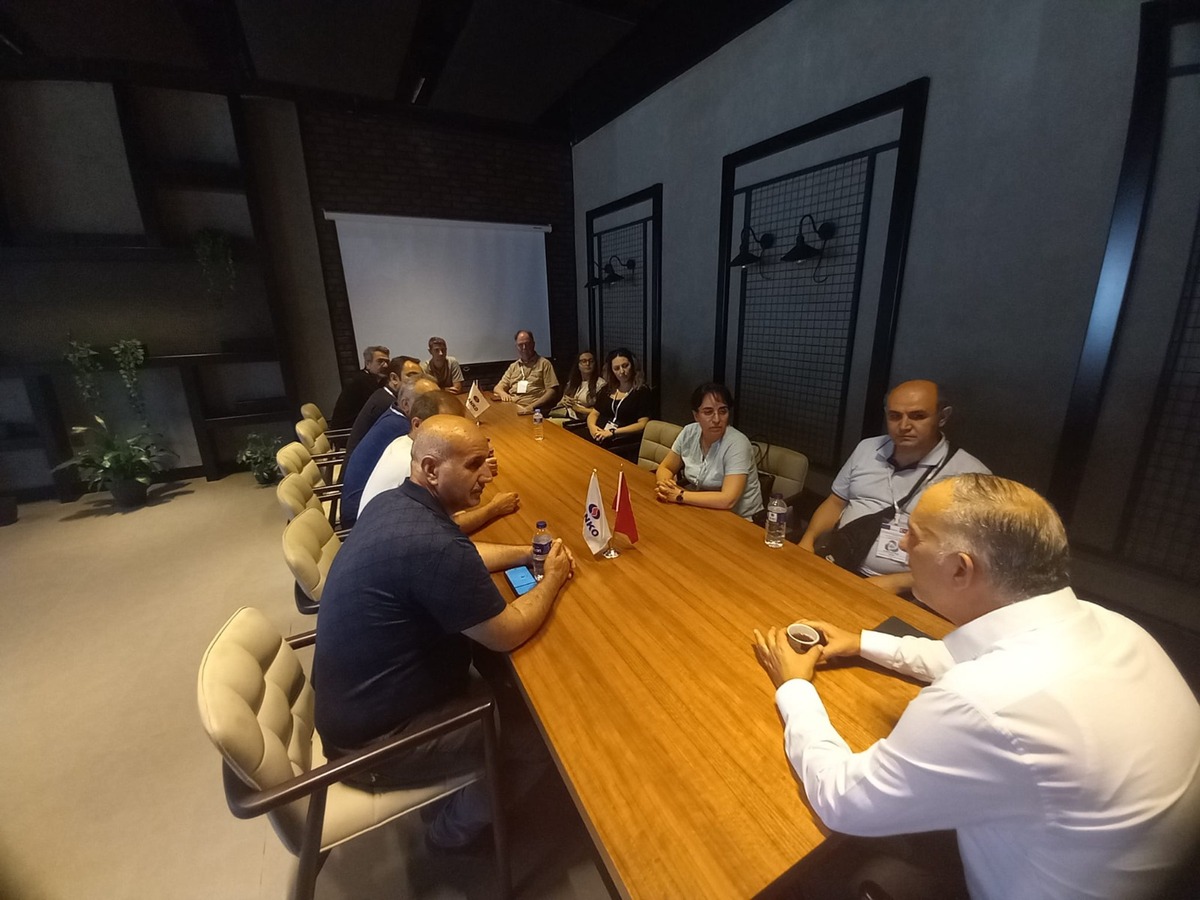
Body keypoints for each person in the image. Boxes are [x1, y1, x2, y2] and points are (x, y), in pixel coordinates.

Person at [753, 474, 1200, 900]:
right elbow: (974, 657)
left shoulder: (981, 700)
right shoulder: (1112, 626)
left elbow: (843, 801)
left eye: (915, 536)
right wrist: (863, 643)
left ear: (960, 569)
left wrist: (794, 686)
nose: (902, 545)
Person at [314, 416, 576, 851]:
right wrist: (552, 578)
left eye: (487, 459)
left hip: (359, 709)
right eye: (474, 464)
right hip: (374, 745)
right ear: (431, 469)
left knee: (509, 685)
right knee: (543, 737)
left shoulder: (395, 504)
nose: (489, 473)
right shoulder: (429, 545)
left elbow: (462, 552)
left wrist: (528, 554)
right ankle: (449, 833)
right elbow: (506, 632)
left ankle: (467, 795)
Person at [798, 379, 989, 595]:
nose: (904, 426)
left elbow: (974, 556)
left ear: (942, 417)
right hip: (840, 561)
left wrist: (900, 582)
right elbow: (835, 502)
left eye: (918, 416)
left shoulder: (972, 476)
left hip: (915, 590)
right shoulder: (867, 449)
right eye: (895, 416)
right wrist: (809, 539)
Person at [359, 390, 520, 532]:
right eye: (444, 424)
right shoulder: (413, 463)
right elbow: (450, 525)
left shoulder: (403, 442)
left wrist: (475, 464)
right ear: (417, 424)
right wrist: (494, 508)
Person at [339, 375, 439, 526]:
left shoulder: (394, 416)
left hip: (364, 507)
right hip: (360, 517)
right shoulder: (402, 429)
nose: (436, 408)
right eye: (428, 402)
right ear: (405, 404)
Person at [654, 382, 763, 519]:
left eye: (723, 411)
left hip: (739, 519)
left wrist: (680, 495)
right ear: (696, 415)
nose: (716, 419)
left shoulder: (738, 443)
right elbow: (666, 467)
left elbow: (728, 499)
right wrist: (665, 486)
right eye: (708, 412)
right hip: (702, 510)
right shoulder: (689, 432)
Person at [344, 355, 423, 460]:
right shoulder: (387, 405)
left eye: (421, 377)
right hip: (363, 467)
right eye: (412, 376)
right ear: (394, 378)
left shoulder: (382, 394)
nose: (419, 382)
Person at [585, 348, 652, 451]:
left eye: (625, 366)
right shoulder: (607, 389)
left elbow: (642, 424)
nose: (622, 371)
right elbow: (594, 414)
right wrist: (592, 427)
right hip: (600, 435)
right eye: (616, 368)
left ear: (633, 365)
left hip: (622, 441)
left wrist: (612, 432)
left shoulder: (642, 391)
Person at [493, 330, 558, 415]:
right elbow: (498, 388)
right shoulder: (514, 366)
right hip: (512, 407)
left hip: (532, 409)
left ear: (533, 344)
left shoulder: (544, 364)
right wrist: (503, 394)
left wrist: (531, 407)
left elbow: (552, 391)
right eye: (520, 345)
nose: (524, 348)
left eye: (527, 344)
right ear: (516, 347)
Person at [330, 345, 389, 429]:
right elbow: (381, 407)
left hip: (360, 427)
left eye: (387, 362)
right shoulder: (362, 380)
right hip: (346, 432)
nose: (386, 365)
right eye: (380, 361)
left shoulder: (378, 380)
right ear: (368, 364)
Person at [551, 350, 604, 424]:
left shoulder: (600, 384)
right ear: (578, 365)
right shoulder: (572, 382)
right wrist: (564, 402)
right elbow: (559, 403)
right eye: (584, 361)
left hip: (583, 420)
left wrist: (578, 408)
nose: (588, 364)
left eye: (591, 361)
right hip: (566, 414)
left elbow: (602, 411)